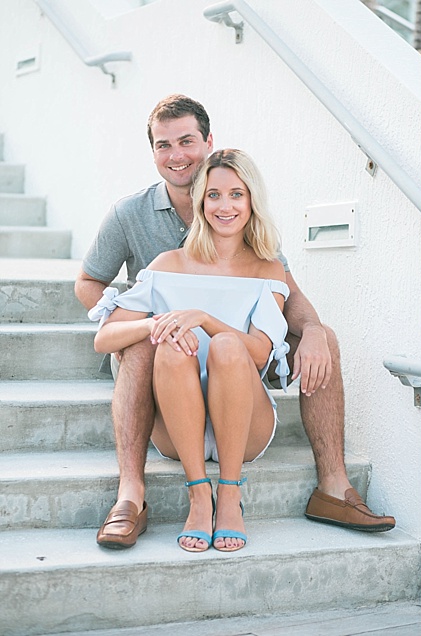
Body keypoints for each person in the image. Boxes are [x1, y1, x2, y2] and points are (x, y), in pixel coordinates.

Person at [76, 95, 394, 550]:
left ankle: (330, 486)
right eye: (164, 145)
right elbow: (93, 293)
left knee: (253, 344)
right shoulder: (143, 231)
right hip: (158, 361)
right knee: (158, 342)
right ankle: (134, 493)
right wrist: (151, 322)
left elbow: (287, 311)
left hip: (234, 382)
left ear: (208, 143)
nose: (176, 154)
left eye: (186, 141)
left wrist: (316, 332)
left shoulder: (264, 262)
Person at [90, 149, 288, 552]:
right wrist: (156, 323)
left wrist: (205, 318)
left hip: (246, 425)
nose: (225, 205)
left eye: (237, 194)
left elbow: (260, 354)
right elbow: (104, 338)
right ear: (200, 202)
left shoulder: (268, 269)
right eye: (213, 195)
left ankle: (229, 495)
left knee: (230, 345)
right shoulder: (169, 264)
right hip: (180, 431)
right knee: (168, 345)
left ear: (252, 201)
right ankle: (199, 494)